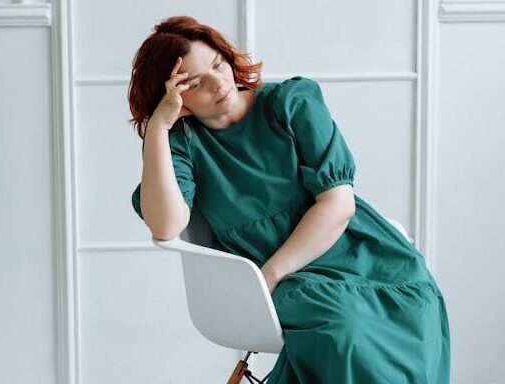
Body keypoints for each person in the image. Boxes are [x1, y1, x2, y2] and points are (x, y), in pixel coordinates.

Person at [127, 15, 451, 384]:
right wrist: (157, 128)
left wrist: (272, 273)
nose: (220, 83)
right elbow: (165, 224)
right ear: (175, 97)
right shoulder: (182, 143)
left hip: (351, 252)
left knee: (416, 308)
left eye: (218, 64)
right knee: (346, 330)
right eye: (197, 83)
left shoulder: (291, 102)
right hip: (286, 282)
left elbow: (338, 204)